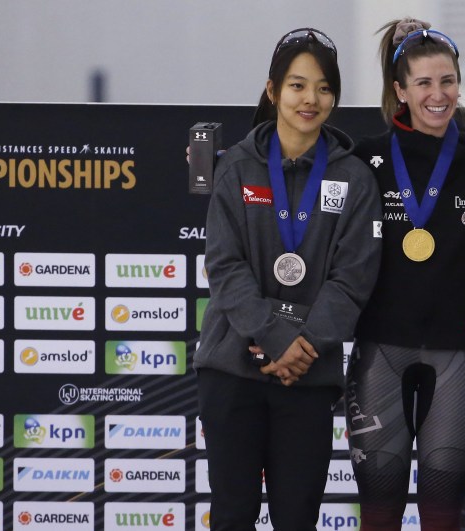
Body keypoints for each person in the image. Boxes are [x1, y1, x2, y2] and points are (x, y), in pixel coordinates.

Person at [194, 27, 382, 531]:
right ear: (274, 91)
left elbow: (352, 278)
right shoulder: (235, 167)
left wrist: (304, 345)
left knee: (297, 516)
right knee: (232, 514)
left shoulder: (354, 177)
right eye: (298, 86)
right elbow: (225, 267)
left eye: (323, 88)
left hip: (308, 375)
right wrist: (277, 336)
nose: (310, 99)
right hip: (231, 370)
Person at [345, 18, 465, 531]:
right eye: (423, 83)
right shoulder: (364, 159)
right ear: (400, 90)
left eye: (447, 82)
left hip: (457, 353)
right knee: (379, 498)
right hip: (380, 349)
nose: (437, 95)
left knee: (443, 502)